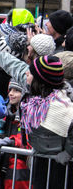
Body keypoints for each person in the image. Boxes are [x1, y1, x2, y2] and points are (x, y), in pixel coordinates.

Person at [20, 56, 73, 188]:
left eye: (31, 72)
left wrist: (69, 152)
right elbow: (15, 67)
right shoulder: (34, 102)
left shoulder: (60, 104)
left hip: (61, 169)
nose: (27, 73)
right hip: (42, 163)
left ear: (40, 80)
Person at [0, 79, 31, 189]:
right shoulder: (6, 113)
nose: (11, 93)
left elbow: (26, 141)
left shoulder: (29, 114)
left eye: (16, 90)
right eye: (10, 89)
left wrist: (6, 142)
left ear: (25, 93)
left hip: (20, 166)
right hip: (4, 164)